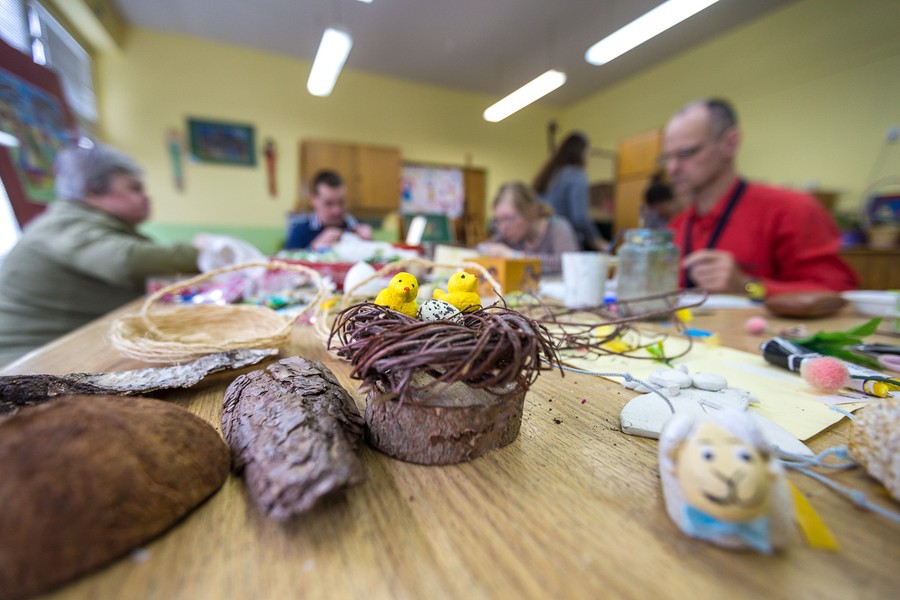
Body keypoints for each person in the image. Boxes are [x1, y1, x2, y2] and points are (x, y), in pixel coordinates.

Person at [0, 143, 202, 366]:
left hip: (64, 348)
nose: (145, 197)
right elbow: (127, 262)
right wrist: (205, 252)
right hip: (20, 363)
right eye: (134, 188)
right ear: (92, 191)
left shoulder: (94, 225)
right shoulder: (64, 224)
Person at [661, 98, 858, 297]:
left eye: (686, 153)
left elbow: (839, 292)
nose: (672, 168)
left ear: (730, 143)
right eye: (666, 157)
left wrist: (748, 286)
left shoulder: (791, 209)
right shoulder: (676, 228)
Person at [478, 181, 579, 273]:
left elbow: (567, 263)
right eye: (498, 220)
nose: (502, 228)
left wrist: (514, 256)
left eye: (509, 218)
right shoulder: (507, 235)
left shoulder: (557, 227)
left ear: (532, 212)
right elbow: (481, 248)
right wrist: (489, 250)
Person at [532, 132, 609, 252]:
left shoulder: (547, 175)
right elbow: (579, 217)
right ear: (581, 152)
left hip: (540, 242)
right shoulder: (576, 174)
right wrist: (596, 240)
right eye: (588, 152)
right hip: (565, 242)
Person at [284, 170, 373, 250]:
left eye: (341, 202)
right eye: (329, 203)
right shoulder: (300, 231)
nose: (337, 210)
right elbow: (284, 264)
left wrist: (371, 246)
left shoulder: (359, 227)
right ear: (313, 200)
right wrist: (313, 248)